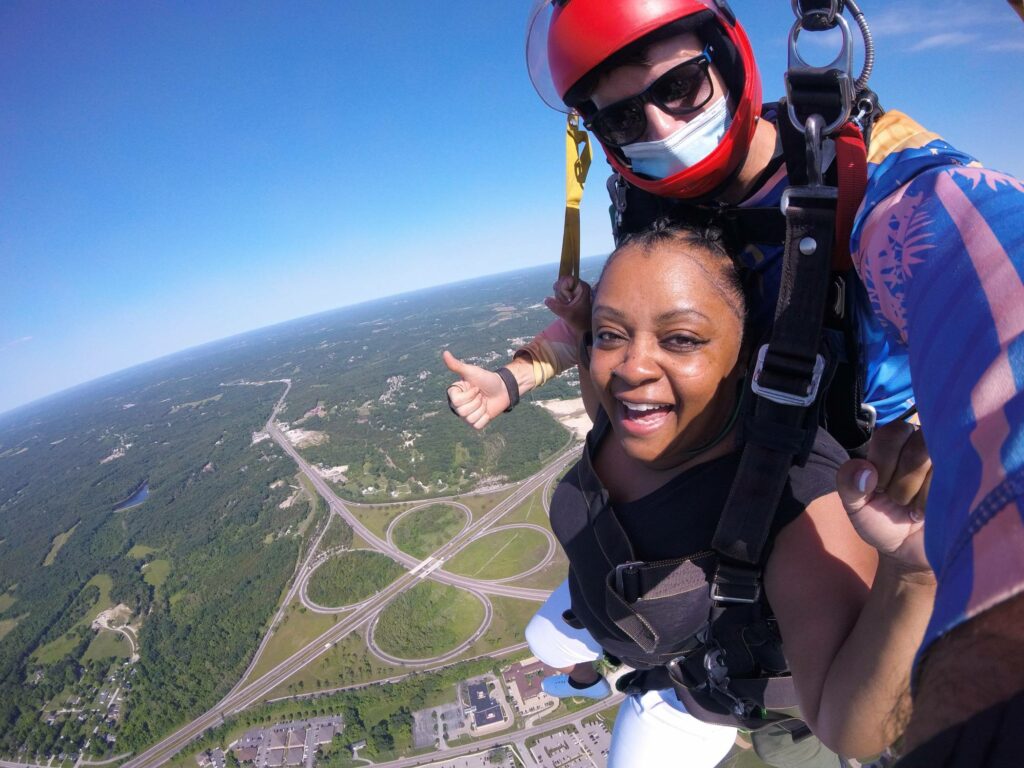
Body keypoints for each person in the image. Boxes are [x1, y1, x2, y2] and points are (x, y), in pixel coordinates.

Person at [445, 2, 1024, 763]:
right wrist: (516, 377)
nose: (656, 128)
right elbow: (617, 319)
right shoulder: (651, 200)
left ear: (731, 56)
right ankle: (605, 659)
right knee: (559, 630)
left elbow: (991, 283)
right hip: (685, 506)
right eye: (620, 120)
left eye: (681, 86)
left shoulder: (881, 193)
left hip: (814, 518)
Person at [517, 220, 934, 765]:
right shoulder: (633, 417)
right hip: (608, 607)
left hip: (690, 687)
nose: (631, 368)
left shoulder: (797, 499)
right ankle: (587, 675)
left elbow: (848, 726)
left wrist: (914, 576)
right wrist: (580, 330)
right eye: (612, 334)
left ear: (743, 358)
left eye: (681, 338)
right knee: (540, 641)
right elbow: (601, 417)